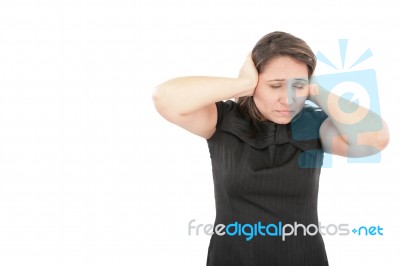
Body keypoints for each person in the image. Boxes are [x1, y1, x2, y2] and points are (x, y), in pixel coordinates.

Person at [152, 31, 390, 266]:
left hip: (303, 258)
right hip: (233, 258)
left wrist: (317, 90)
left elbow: (376, 138)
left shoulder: (314, 126)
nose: (287, 99)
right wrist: (241, 84)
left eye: (298, 87)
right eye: (275, 86)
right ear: (255, 83)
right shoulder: (222, 121)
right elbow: (165, 97)